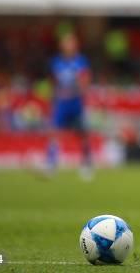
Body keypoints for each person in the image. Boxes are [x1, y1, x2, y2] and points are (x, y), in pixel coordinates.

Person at [46, 32, 93, 180]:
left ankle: (86, 164)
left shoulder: (80, 61)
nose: (68, 45)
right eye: (66, 42)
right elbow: (53, 82)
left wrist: (76, 90)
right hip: (61, 103)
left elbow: (85, 80)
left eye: (71, 42)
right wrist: (54, 96)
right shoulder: (56, 62)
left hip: (76, 102)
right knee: (54, 132)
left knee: (83, 135)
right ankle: (51, 163)